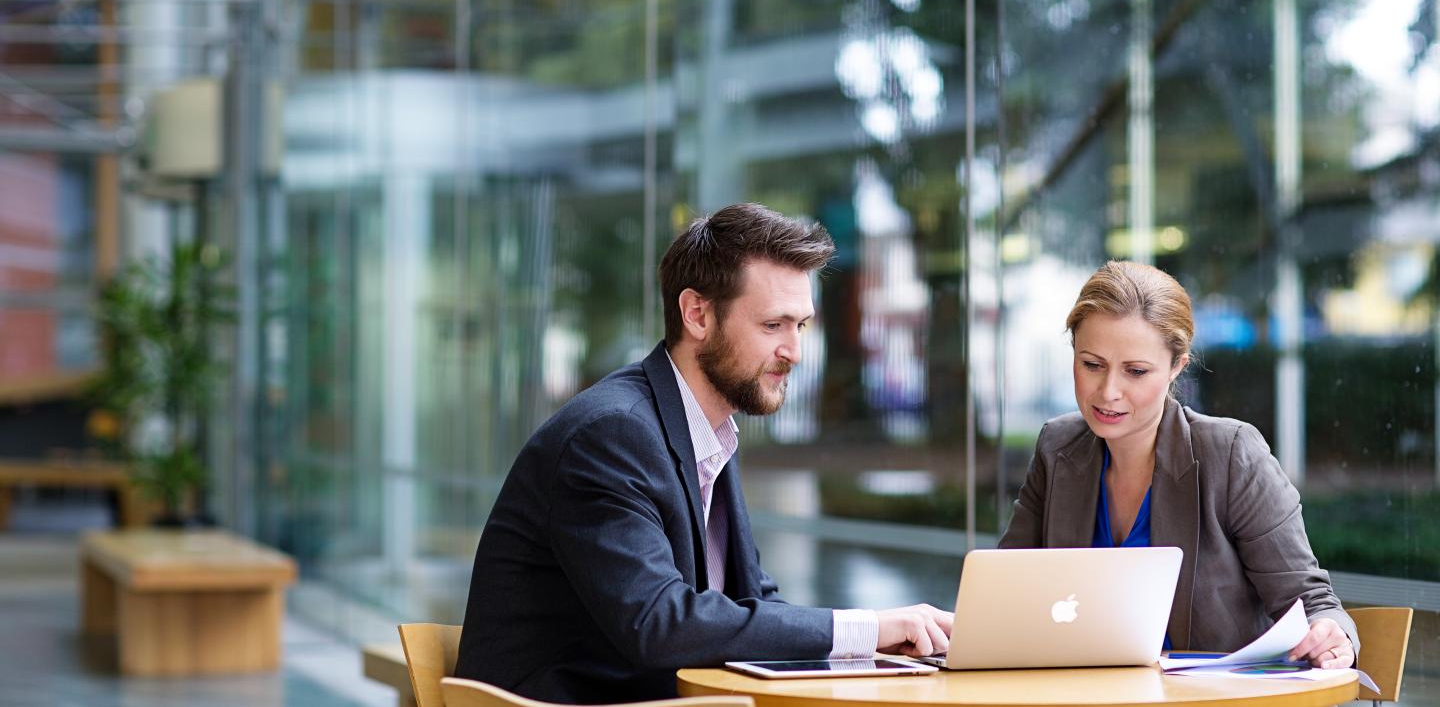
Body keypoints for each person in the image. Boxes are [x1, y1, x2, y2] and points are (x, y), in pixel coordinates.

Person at [455, 203, 952, 704]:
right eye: (773, 325)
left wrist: (878, 651)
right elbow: (660, 623)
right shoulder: (611, 436)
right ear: (697, 314)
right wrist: (867, 629)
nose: (795, 351)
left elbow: (751, 598)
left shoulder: (706, 431)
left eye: (801, 325)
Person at [999, 260, 1358, 667]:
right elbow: (1004, 596)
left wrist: (1332, 635)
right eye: (1092, 365)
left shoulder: (1230, 453)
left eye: (1135, 371)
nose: (1108, 391)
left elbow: (1312, 603)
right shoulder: (1057, 447)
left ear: (1176, 367)